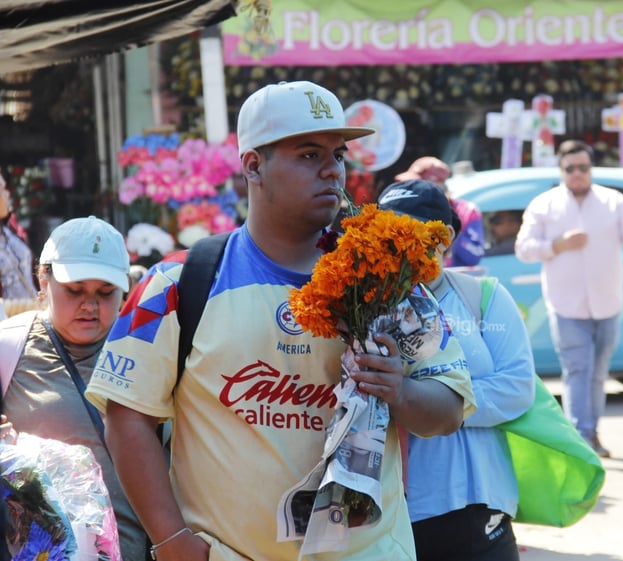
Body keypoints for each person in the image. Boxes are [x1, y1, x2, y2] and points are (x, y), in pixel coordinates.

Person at [85, 80, 475, 561]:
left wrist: (400, 391)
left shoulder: (387, 279)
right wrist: (171, 542)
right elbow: (126, 417)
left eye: (338, 154)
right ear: (253, 165)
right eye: (309, 155)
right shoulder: (176, 282)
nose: (332, 170)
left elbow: (449, 410)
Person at [378, 179, 535, 561]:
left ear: (443, 236)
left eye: (406, 229)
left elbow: (516, 389)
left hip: (480, 504)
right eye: (384, 231)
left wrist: (436, 404)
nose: (394, 242)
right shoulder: (368, 303)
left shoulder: (483, 297)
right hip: (399, 508)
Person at [0, 216, 146, 559]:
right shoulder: (8, 348)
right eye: (75, 290)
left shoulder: (152, 350)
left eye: (105, 293)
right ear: (43, 279)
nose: (90, 305)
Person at [514, 139, 623, 458]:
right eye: (570, 169)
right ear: (561, 170)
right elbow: (523, 248)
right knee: (578, 369)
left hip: (607, 301)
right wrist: (557, 245)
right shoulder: (544, 204)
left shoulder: (612, 201)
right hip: (566, 305)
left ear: (591, 169)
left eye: (583, 168)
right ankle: (582, 435)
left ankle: (591, 430)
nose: (577, 174)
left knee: (599, 370)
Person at [395, 156, 485, 267]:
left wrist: (452, 224)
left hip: (454, 280)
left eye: (417, 184)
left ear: (436, 185)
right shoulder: (407, 210)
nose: (410, 189)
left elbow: (474, 257)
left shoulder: (467, 211)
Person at [0, 171, 38, 304]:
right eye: (3, 189)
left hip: (32, 313)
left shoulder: (11, 227)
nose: (7, 194)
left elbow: (34, 269)